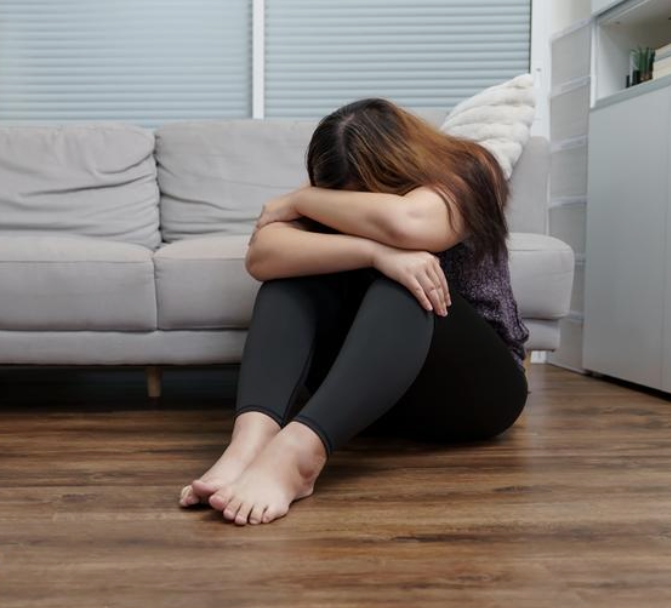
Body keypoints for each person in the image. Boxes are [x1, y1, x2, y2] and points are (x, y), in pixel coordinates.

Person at [178, 98, 530, 526]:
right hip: (368, 400)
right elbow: (262, 256)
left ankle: (298, 457)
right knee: (291, 277)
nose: (353, 206)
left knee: (407, 281)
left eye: (367, 196)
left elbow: (410, 225)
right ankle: (249, 444)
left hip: (476, 394)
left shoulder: (473, 168)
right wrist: (375, 253)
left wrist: (302, 199)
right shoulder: (331, 192)